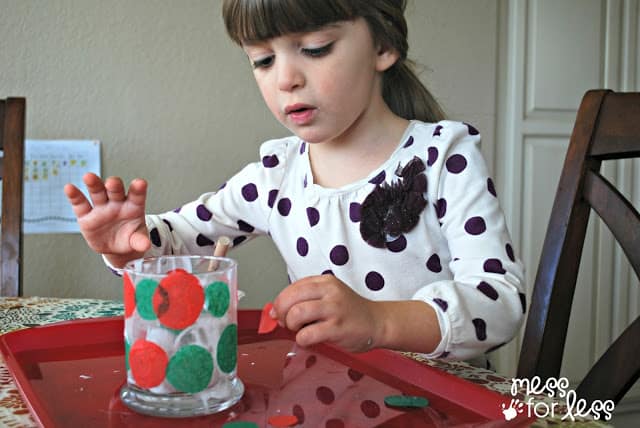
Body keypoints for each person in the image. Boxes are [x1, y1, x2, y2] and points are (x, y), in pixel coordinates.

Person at [65, 0, 526, 361]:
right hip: (321, 399)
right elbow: (184, 238)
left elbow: (499, 302)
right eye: (263, 60)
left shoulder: (443, 157)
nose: (285, 79)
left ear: (383, 46)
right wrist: (132, 243)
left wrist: (378, 322)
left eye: (315, 49)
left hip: (437, 406)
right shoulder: (276, 175)